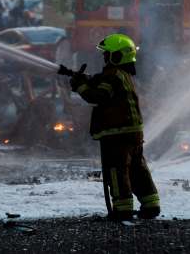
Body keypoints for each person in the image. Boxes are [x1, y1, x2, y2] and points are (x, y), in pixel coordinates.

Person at [65, 34, 160, 221]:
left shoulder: (113, 76)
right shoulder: (123, 75)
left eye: (107, 54)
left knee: (117, 171)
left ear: (116, 56)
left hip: (117, 135)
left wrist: (80, 87)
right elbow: (102, 82)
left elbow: (98, 97)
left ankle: (122, 209)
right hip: (133, 133)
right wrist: (85, 79)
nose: (104, 58)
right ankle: (151, 204)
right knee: (137, 169)